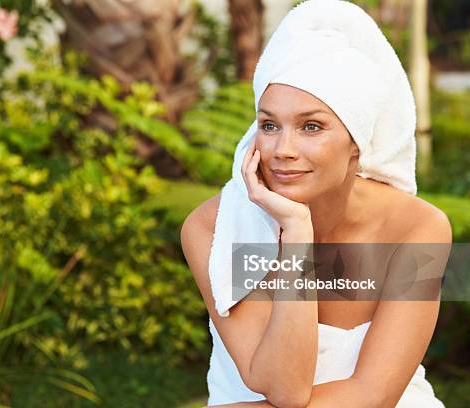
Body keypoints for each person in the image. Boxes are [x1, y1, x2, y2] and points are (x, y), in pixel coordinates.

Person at [180, 1, 451, 407]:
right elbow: (284, 389)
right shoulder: (213, 228)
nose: (282, 150)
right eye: (269, 125)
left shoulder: (417, 228)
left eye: (311, 126)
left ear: (356, 142)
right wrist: (297, 236)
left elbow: (371, 394)